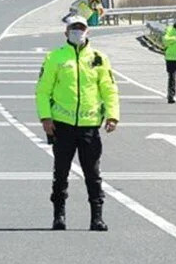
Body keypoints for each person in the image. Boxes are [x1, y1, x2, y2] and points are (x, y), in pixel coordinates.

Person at [37, 15, 120, 232]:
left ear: (87, 32)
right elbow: (43, 90)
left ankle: (97, 217)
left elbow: (109, 88)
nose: (78, 32)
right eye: (74, 28)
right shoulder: (55, 58)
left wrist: (112, 115)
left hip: (89, 125)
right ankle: (59, 215)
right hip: (62, 126)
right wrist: (46, 118)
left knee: (92, 173)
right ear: (66, 32)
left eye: (81, 28)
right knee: (61, 173)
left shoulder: (98, 58)